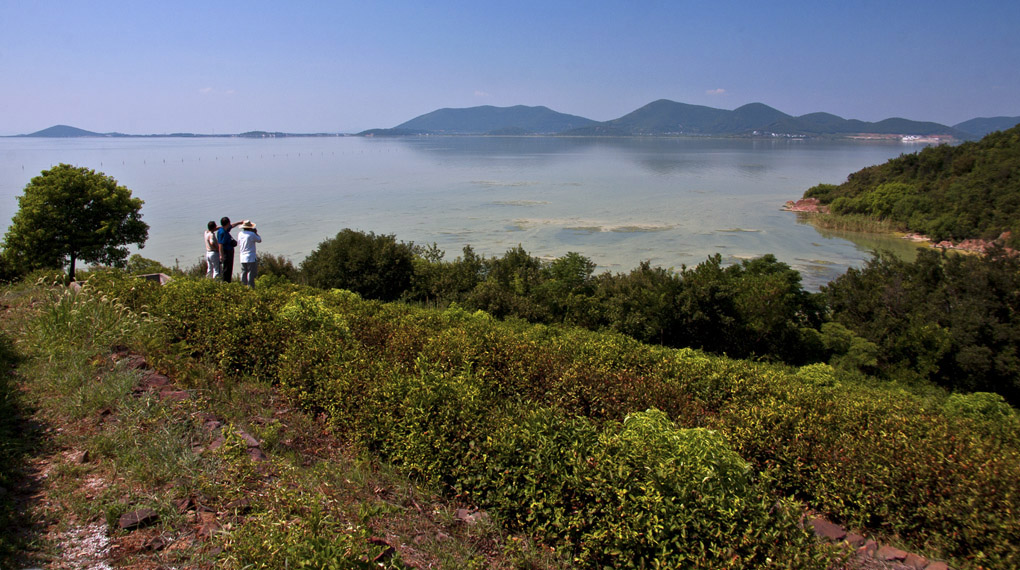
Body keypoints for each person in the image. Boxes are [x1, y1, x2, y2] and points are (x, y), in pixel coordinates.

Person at [217, 217, 244, 282]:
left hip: (229, 251)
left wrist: (239, 222)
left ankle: (228, 281)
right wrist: (221, 255)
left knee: (229, 268)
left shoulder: (224, 229)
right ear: (228, 223)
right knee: (226, 268)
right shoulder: (222, 232)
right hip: (226, 252)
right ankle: (225, 282)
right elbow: (220, 244)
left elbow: (232, 226)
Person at [237, 220, 262, 288]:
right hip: (250, 256)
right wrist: (256, 233)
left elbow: (238, 243)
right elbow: (259, 240)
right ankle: (251, 287)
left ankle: (243, 286)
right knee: (251, 272)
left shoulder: (240, 234)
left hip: (242, 256)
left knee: (244, 271)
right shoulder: (252, 234)